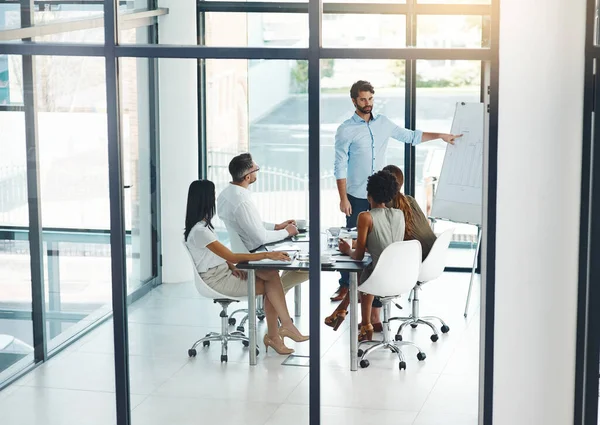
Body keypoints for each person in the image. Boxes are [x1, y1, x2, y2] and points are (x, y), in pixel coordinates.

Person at [331, 80, 462, 302]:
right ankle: (346, 286)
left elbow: (411, 136)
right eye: (363, 99)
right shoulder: (346, 130)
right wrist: (343, 198)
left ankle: (377, 288)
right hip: (356, 195)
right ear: (354, 100)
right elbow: (339, 165)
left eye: (370, 98)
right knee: (354, 240)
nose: (368, 103)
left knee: (381, 243)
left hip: (381, 195)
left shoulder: (383, 123)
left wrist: (441, 135)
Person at [184, 180, 309, 355]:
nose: (214, 199)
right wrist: (267, 255)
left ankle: (281, 331)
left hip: (223, 272)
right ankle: (280, 331)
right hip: (216, 280)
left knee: (271, 274)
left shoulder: (202, 227)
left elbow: (215, 255)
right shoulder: (200, 231)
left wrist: (230, 266)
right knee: (271, 285)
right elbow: (232, 256)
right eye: (212, 196)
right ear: (205, 199)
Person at [324, 170, 404, 342]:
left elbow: (358, 256)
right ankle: (352, 315)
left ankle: (360, 320)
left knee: (362, 272)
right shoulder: (399, 214)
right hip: (401, 275)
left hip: (379, 279)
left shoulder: (365, 216)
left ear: (368, 195)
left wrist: (347, 249)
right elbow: (387, 245)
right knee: (367, 269)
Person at [217, 153, 307, 292]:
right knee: (305, 266)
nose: (257, 172)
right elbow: (260, 238)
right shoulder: (242, 201)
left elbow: (249, 224)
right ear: (247, 177)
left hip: (241, 250)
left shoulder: (225, 194)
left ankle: (275, 297)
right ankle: (275, 293)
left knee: (295, 262)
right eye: (256, 169)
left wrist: (277, 227)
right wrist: (286, 232)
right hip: (253, 254)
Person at [382, 164, 437, 261]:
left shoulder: (386, 208)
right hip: (433, 256)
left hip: (417, 260)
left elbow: (383, 243)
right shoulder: (410, 200)